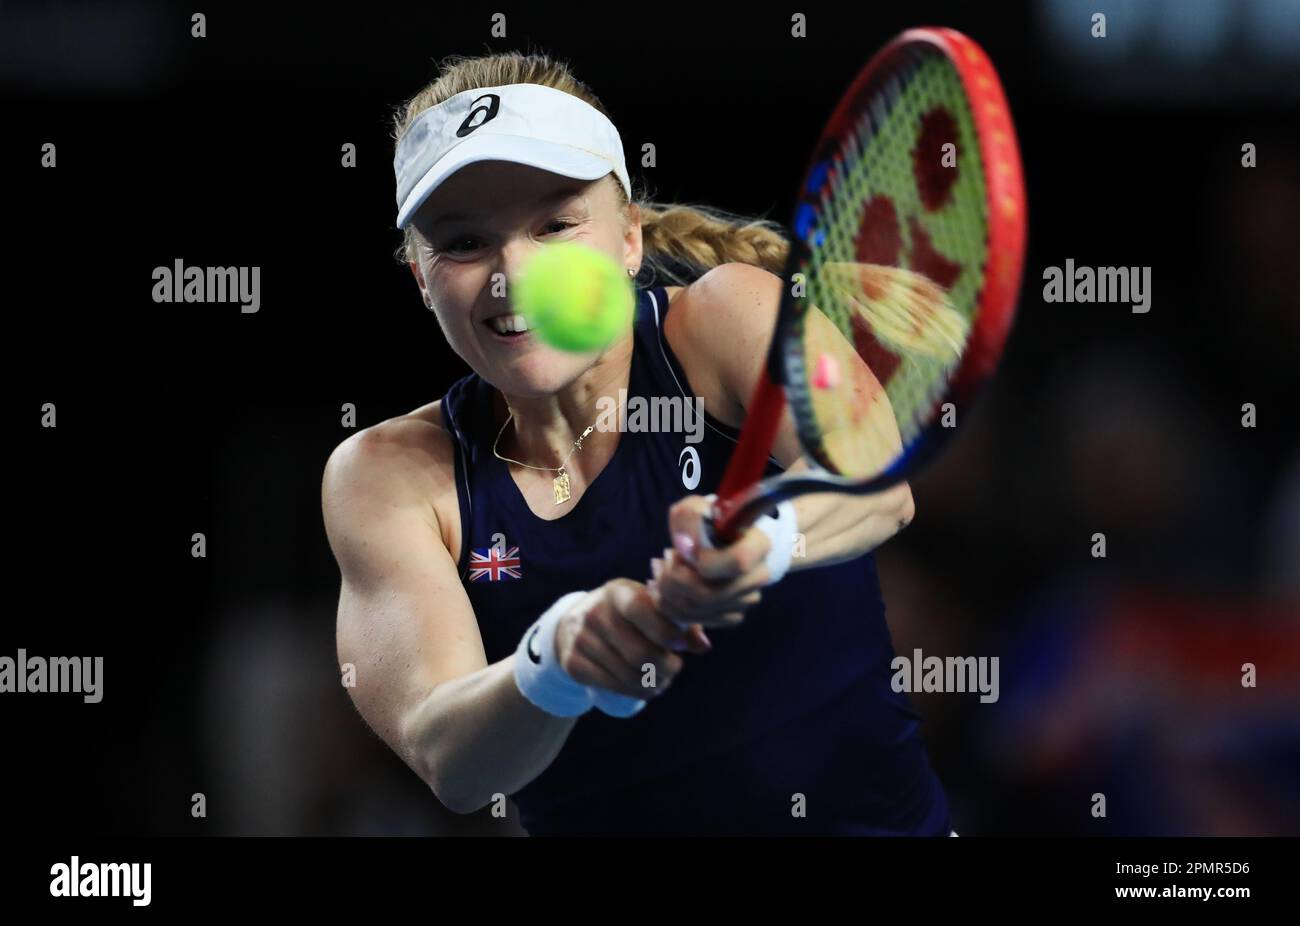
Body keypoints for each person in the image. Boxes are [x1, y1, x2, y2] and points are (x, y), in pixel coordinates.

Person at [323, 50, 953, 835]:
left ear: (628, 238)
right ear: (421, 278)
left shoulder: (726, 319)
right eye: (463, 242)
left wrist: (761, 537)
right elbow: (450, 758)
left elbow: (878, 487)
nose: (513, 275)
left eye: (554, 224)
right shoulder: (387, 476)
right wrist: (557, 659)